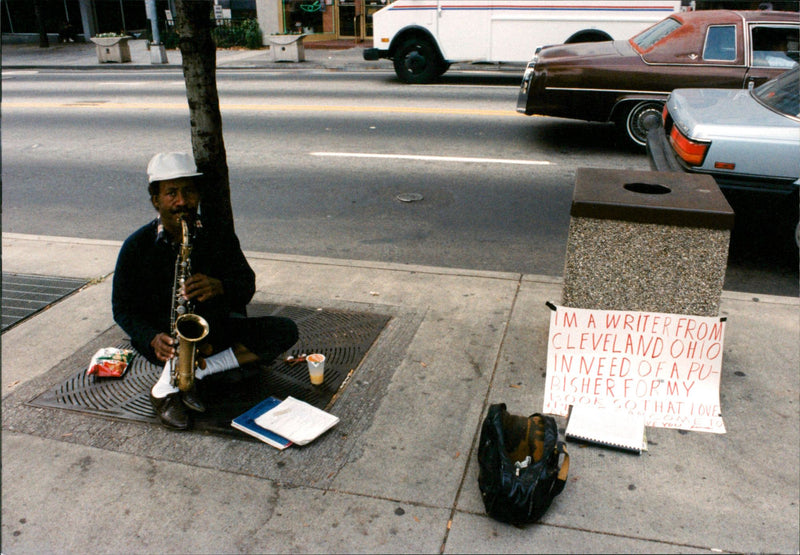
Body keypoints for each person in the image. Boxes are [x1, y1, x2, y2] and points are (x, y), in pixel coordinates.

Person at [112, 152, 299, 430]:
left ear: (197, 195)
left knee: (285, 330)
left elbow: (246, 284)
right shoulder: (136, 246)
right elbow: (123, 309)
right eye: (171, 193)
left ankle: (190, 377)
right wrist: (151, 338)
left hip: (216, 332)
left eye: (188, 191)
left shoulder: (218, 234)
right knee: (165, 344)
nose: (182, 202)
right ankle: (173, 380)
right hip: (165, 342)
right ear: (156, 200)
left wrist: (220, 286)